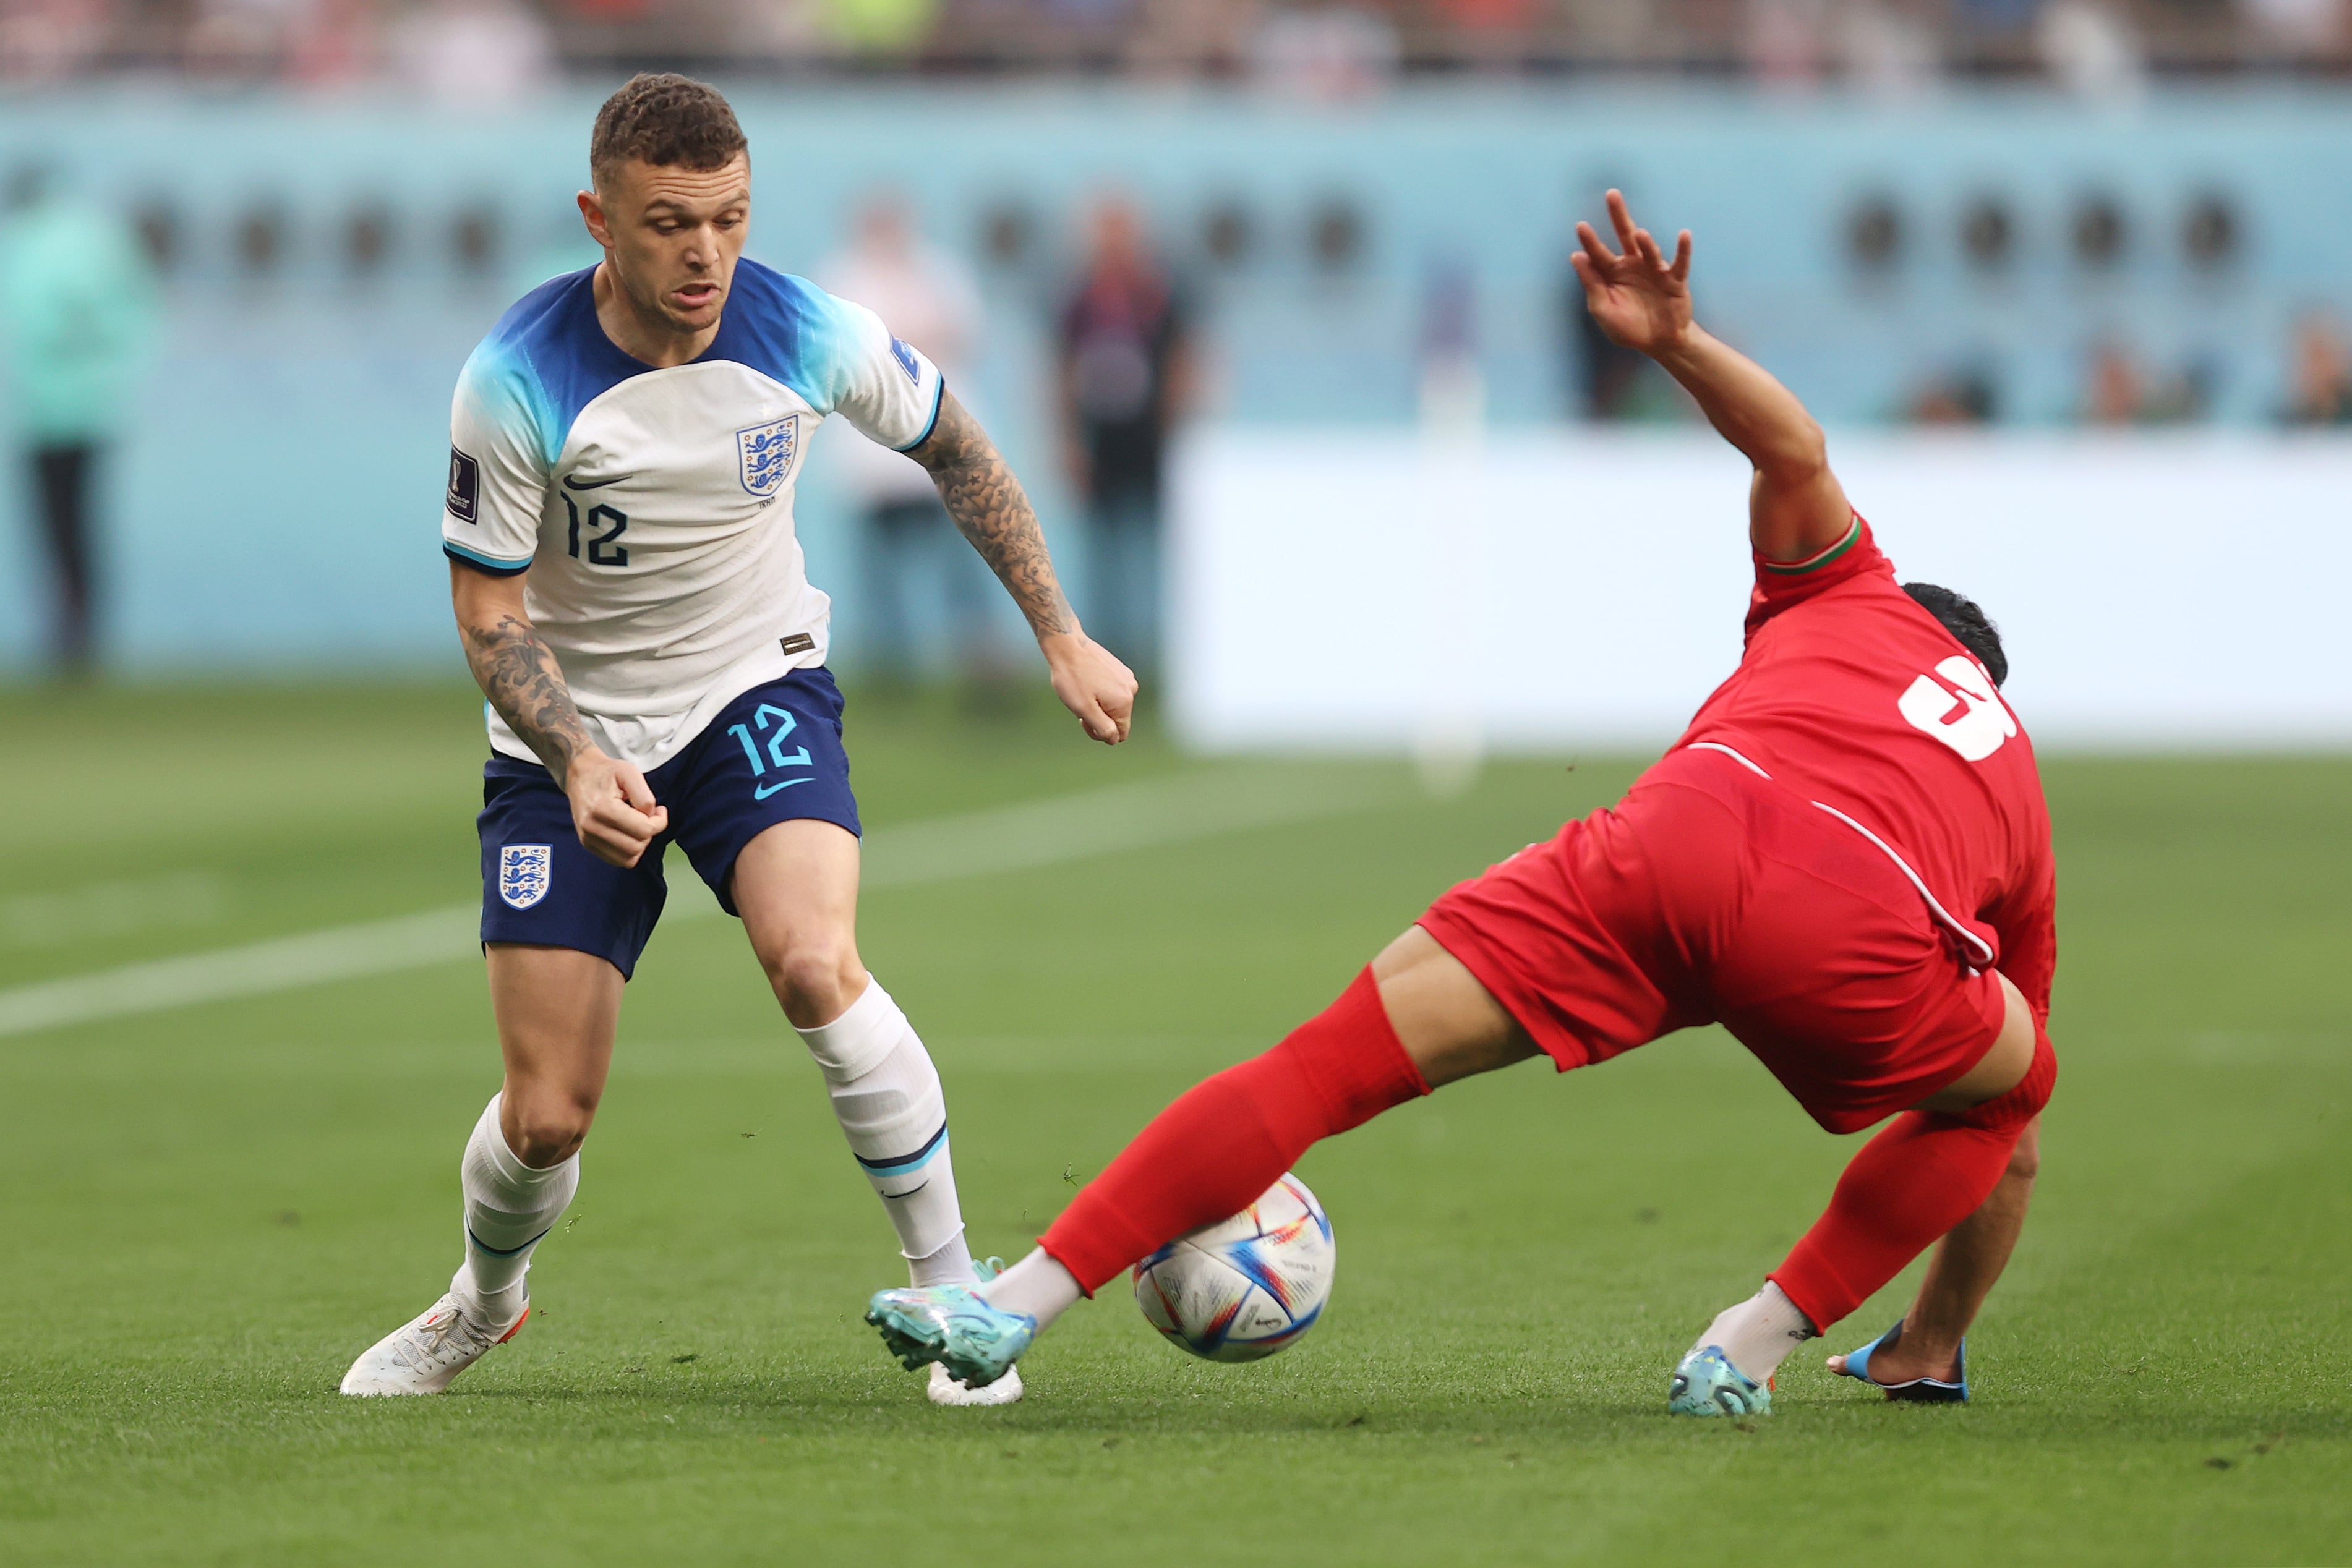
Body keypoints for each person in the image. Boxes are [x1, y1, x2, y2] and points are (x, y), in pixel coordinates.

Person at [868, 192, 2056, 1417]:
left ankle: (1010, 1302)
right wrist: (1932, 1318)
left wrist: (1670, 345)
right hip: (1846, 935)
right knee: (2012, 1085)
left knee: (1320, 1063)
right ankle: (1746, 1344)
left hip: (1670, 840)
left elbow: (1793, 454)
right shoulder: (2012, 778)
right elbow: (2005, 1128)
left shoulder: (1847, 593)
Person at [340, 74, 1135, 1408]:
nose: (704, 252)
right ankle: (482, 1302)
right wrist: (580, 751)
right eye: (667, 223)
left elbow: (957, 448)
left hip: (752, 689)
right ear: (598, 218)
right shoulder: (518, 376)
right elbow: (488, 608)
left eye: (728, 217)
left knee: (814, 961)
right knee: (546, 1115)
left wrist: (1056, 628)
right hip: (565, 740)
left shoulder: (806, 328)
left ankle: (962, 1302)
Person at [814, 194, 1003, 692]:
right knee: (880, 573)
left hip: (940, 450)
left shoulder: (939, 272)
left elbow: (961, 336)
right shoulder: (843, 278)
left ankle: (980, 662)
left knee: (960, 564)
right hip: (874, 457)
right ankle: (891, 670)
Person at [0, 167, 158, 676]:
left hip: (46, 413)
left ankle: (71, 634)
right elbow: (137, 312)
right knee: (81, 527)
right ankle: (82, 632)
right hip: (95, 409)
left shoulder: (23, 242)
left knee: (56, 527)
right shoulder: (100, 239)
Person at [1056, 197, 1191, 677]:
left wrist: (1178, 433)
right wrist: (1068, 443)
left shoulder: (1159, 292)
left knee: (1160, 557)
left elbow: (1184, 361)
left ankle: (1164, 663)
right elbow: (1059, 373)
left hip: (1151, 444)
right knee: (1103, 561)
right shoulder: (1080, 298)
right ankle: (1103, 660)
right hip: (1101, 445)